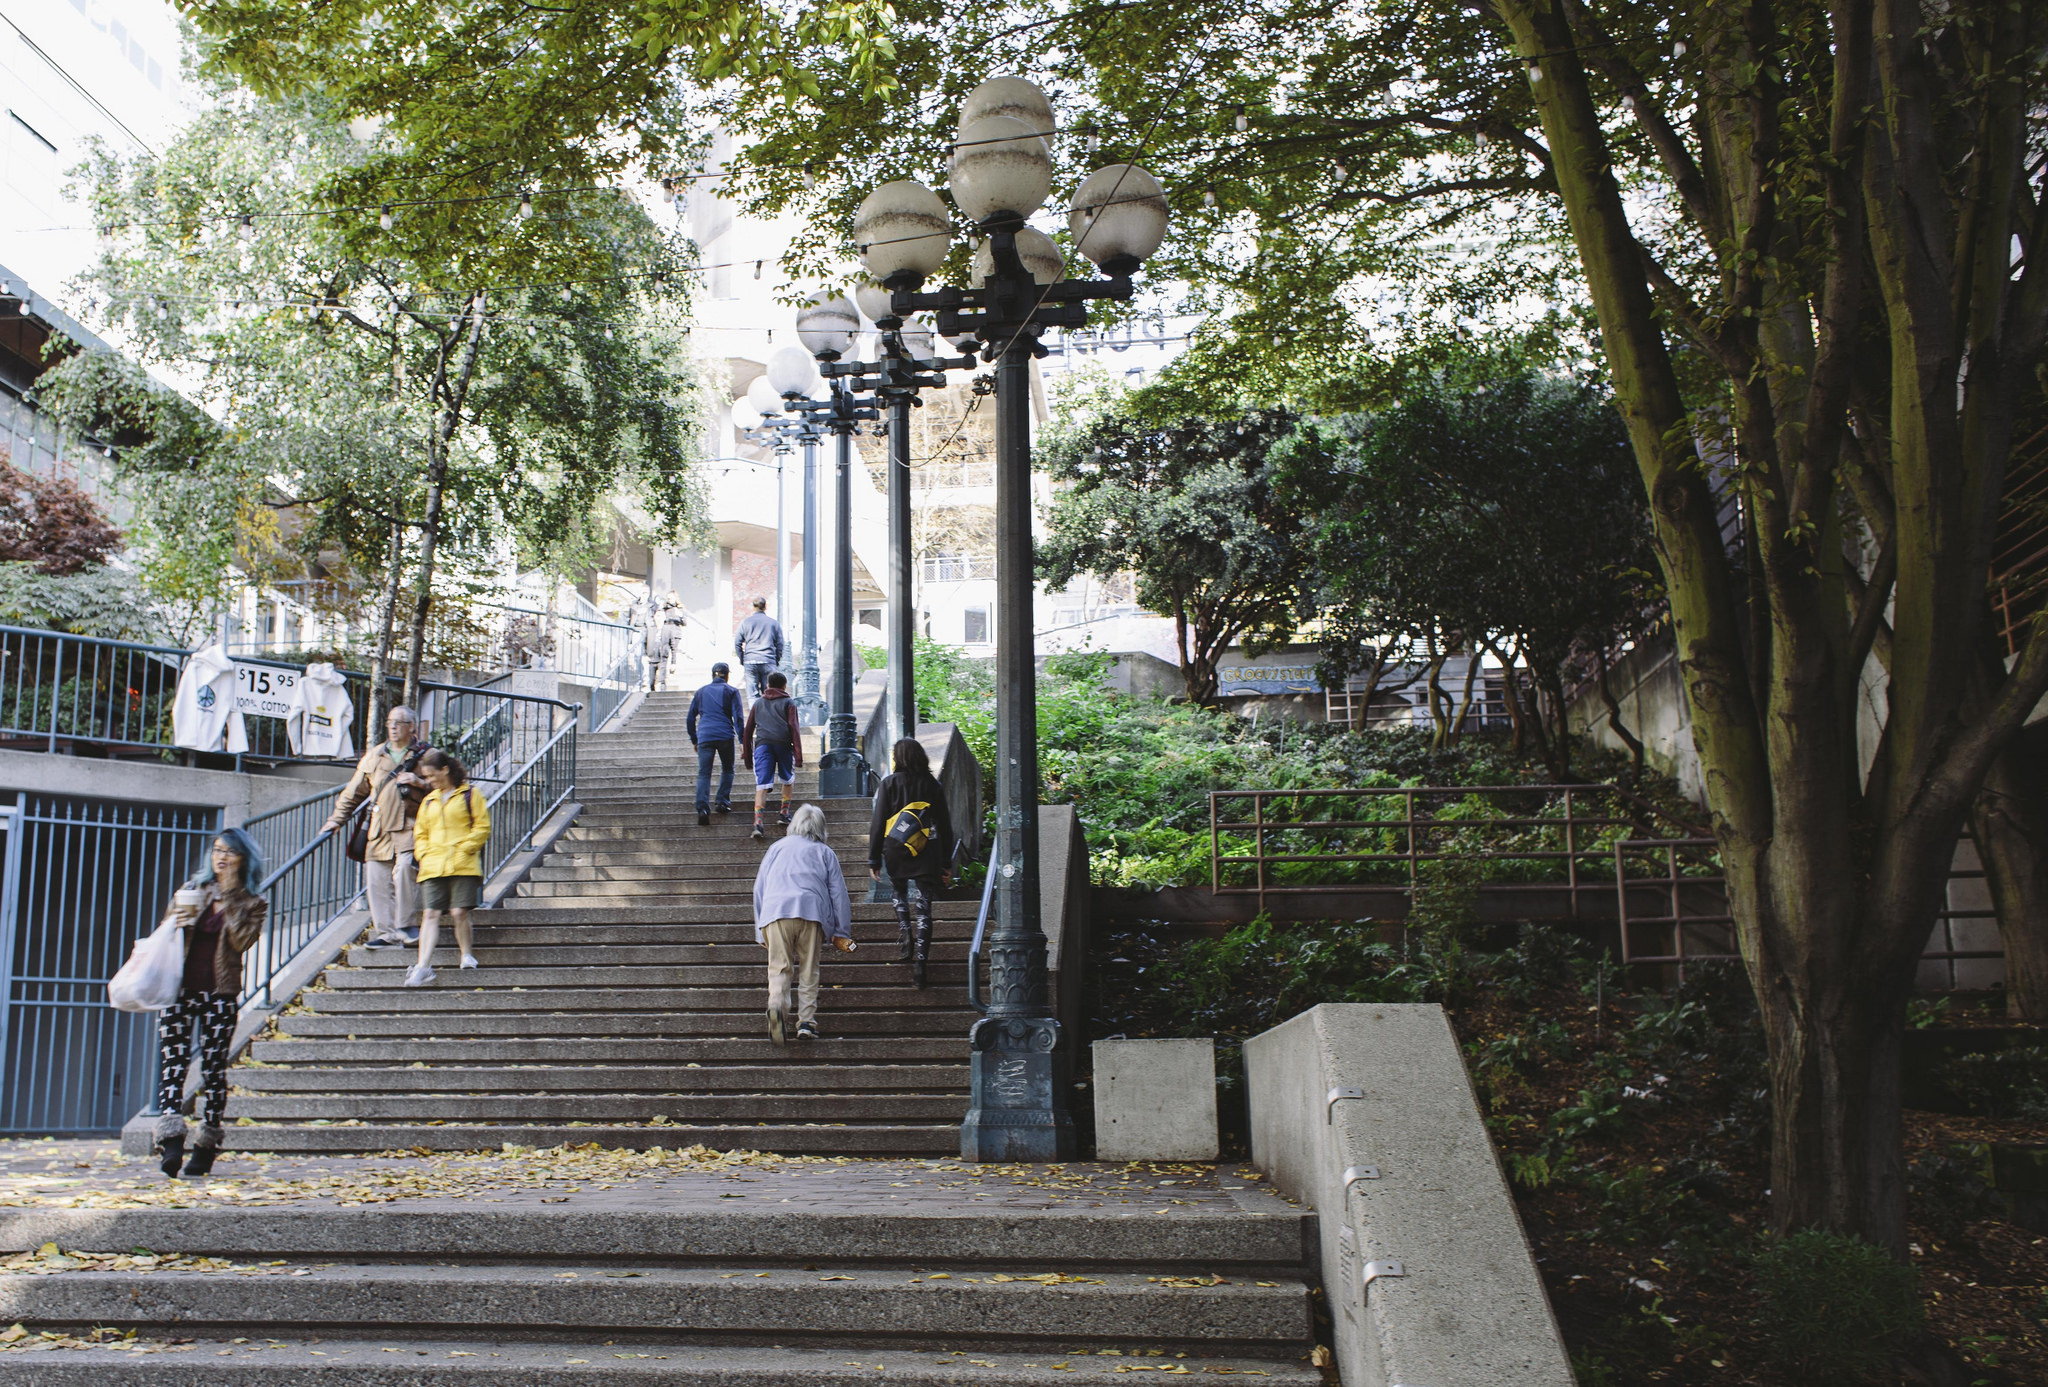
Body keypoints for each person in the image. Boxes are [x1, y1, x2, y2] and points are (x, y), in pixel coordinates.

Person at [152, 827, 267, 1179]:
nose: (220, 858)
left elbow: (242, 941)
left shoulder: (253, 903)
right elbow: (166, 933)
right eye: (217, 850)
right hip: (179, 990)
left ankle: (206, 1146)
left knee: (213, 1070)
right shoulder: (192, 892)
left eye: (229, 852)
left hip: (220, 994)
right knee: (173, 1064)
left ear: (242, 859)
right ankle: (171, 1141)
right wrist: (177, 919)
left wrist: (231, 895)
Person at [323, 705, 427, 949]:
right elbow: (354, 792)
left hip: (410, 825)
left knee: (404, 871)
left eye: (399, 722)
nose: (392, 727)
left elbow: (444, 787)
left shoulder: (425, 755)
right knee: (377, 879)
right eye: (390, 721)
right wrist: (336, 820)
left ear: (411, 727)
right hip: (379, 827)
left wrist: (419, 781)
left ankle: (405, 926)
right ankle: (386, 933)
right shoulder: (375, 755)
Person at [751, 803, 853, 1044]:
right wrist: (841, 932)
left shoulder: (776, 848)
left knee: (779, 967)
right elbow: (839, 894)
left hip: (775, 912)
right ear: (820, 828)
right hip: (812, 914)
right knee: (809, 969)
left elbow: (759, 888)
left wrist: (759, 930)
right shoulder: (825, 852)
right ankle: (806, 1022)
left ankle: (777, 1006)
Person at [868, 738, 956, 988]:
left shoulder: (889, 784)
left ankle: (905, 931)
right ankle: (920, 964)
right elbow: (946, 826)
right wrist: (947, 861)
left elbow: (878, 822)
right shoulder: (933, 785)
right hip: (927, 848)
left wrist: (873, 857)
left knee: (898, 890)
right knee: (924, 904)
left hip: (895, 847)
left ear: (898, 758)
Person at [406, 749, 492, 987]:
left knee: (458, 912)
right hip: (433, 865)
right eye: (426, 777)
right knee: (430, 914)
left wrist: (465, 848)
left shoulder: (470, 795)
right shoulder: (429, 801)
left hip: (462, 863)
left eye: (432, 775)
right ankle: (423, 966)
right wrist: (422, 852)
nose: (429, 781)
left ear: (445, 770)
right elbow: (420, 832)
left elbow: (482, 826)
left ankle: (466, 954)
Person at [741, 670, 803, 841]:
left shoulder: (758, 703)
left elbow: (748, 731)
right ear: (784, 686)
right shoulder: (788, 702)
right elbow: (794, 728)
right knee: (787, 779)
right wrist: (798, 755)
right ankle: (784, 812)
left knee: (761, 785)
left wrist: (747, 754)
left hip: (762, 745)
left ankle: (758, 823)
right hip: (783, 745)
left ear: (767, 685)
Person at [686, 662, 745, 827]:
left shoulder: (701, 692)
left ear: (713, 675)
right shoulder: (732, 691)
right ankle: (722, 801)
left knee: (704, 773)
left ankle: (703, 809)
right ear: (727, 676)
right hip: (725, 735)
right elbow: (738, 717)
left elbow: (690, 718)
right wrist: (742, 740)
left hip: (705, 736)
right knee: (728, 768)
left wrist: (694, 739)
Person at [734, 596, 786, 702]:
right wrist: (777, 659)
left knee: (752, 695)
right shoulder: (773, 623)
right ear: (765, 607)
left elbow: (737, 643)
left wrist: (742, 658)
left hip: (750, 660)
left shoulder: (745, 622)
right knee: (771, 693)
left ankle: (755, 717)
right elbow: (780, 644)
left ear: (753, 607)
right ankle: (768, 716)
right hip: (768, 660)